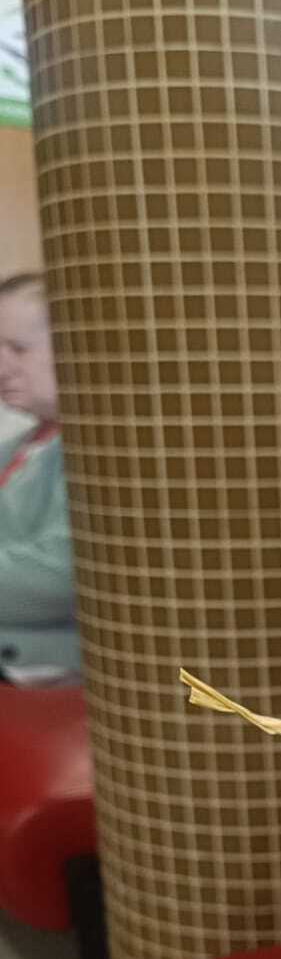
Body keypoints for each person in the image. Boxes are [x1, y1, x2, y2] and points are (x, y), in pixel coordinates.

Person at [0, 273, 78, 679]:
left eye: (18, 348)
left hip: (43, 663)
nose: (1, 367)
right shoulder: (17, 447)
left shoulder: (97, 454)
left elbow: (65, 570)